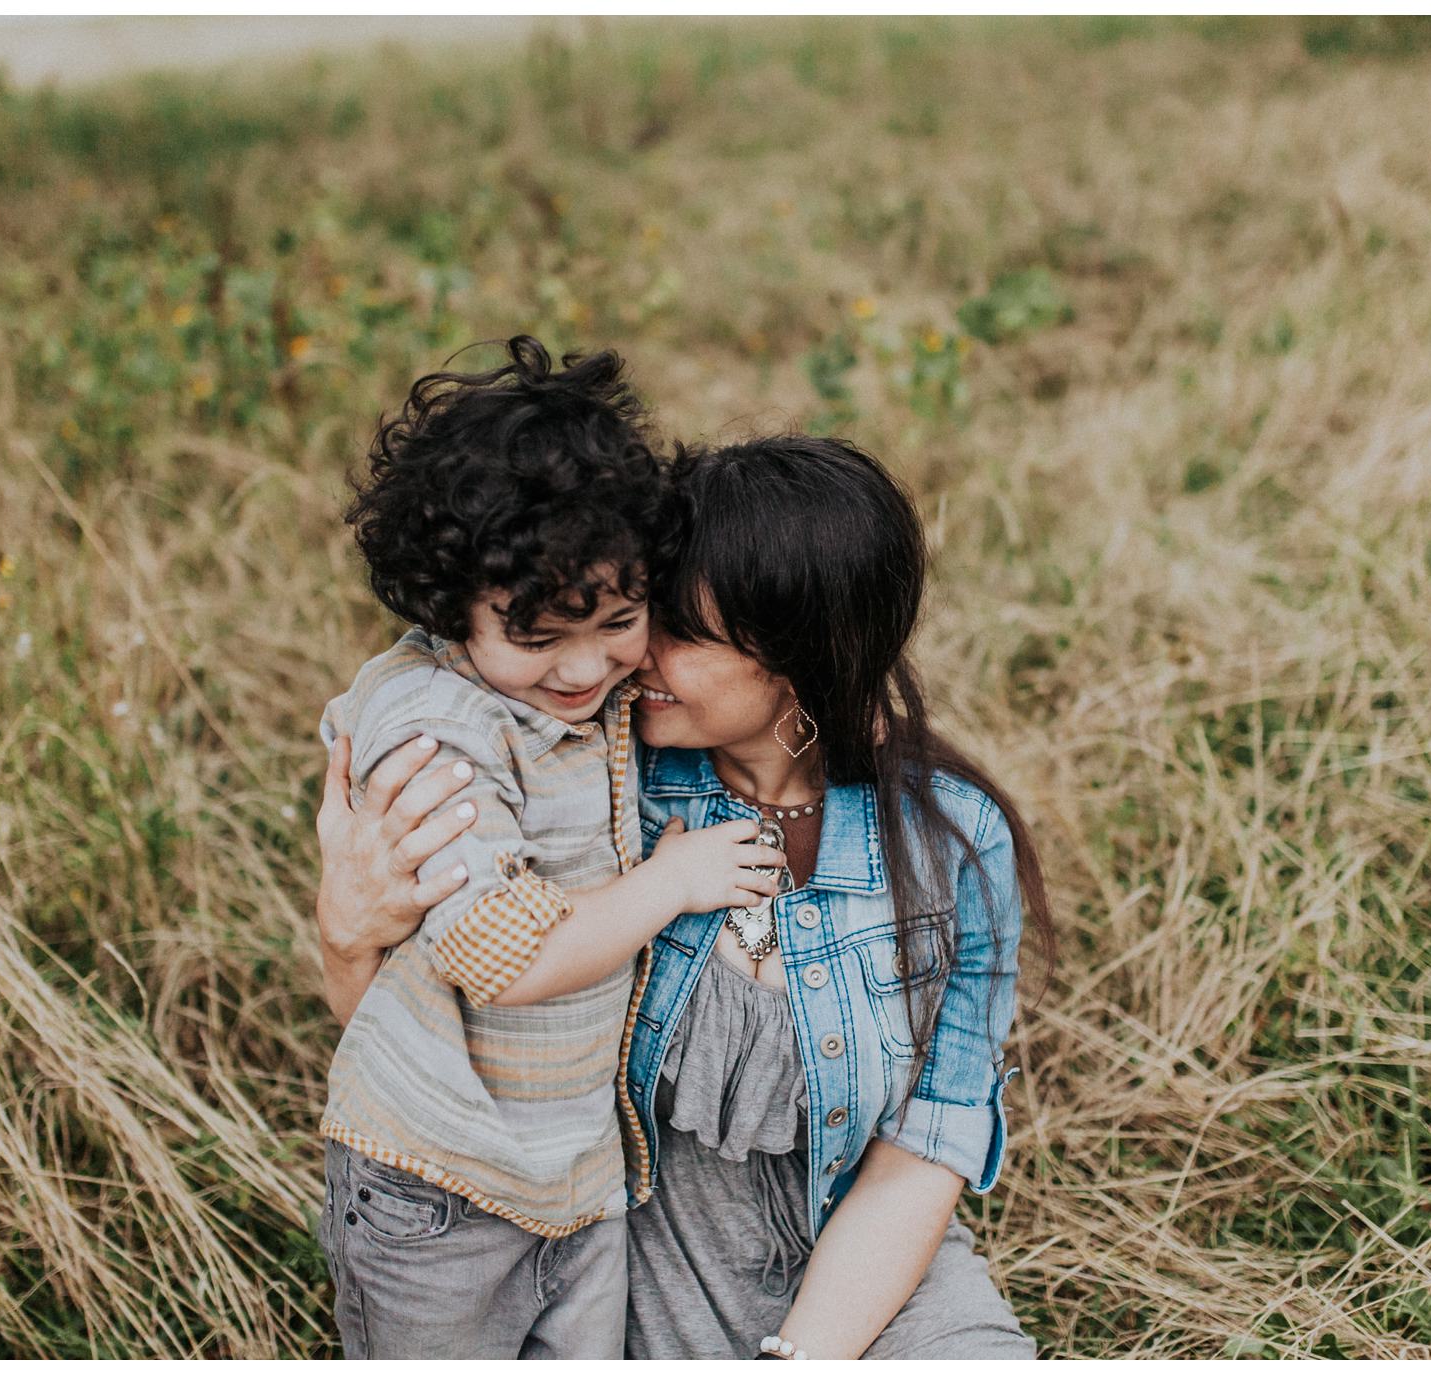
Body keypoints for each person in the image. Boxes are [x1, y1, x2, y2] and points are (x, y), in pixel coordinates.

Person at [316, 434, 1052, 1358]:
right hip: (637, 1267)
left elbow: (925, 1146)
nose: (629, 654)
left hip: (873, 1264)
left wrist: (808, 1351)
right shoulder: (593, 784)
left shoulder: (953, 843)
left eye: (681, 631)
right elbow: (426, 1048)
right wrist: (345, 936)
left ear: (801, 656)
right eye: (644, 608)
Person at [314, 337, 785, 1359]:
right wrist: (672, 880)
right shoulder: (440, 736)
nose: (584, 666)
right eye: (534, 639)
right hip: (438, 1186)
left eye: (619, 620)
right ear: (448, 609)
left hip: (572, 1167)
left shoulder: (579, 694)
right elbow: (502, 956)